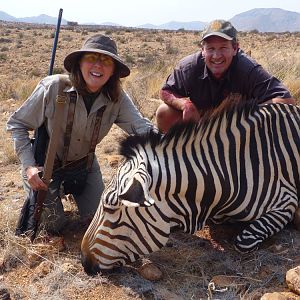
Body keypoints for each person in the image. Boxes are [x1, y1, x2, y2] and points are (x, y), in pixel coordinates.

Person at [6, 34, 153, 234]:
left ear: (113, 71)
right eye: (92, 58)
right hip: (46, 167)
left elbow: (142, 128)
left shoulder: (117, 98)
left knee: (100, 223)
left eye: (106, 61)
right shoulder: (53, 87)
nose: (98, 66)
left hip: (85, 164)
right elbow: (17, 124)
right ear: (79, 63)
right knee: (53, 227)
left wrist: (177, 143)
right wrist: (29, 167)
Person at [156, 19, 296, 133]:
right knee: (164, 112)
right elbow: (166, 90)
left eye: (223, 48)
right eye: (210, 48)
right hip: (200, 126)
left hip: (236, 130)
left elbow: (286, 100)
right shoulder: (189, 66)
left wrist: (243, 116)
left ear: (235, 48)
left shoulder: (247, 68)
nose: (216, 56)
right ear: (202, 50)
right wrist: (186, 105)